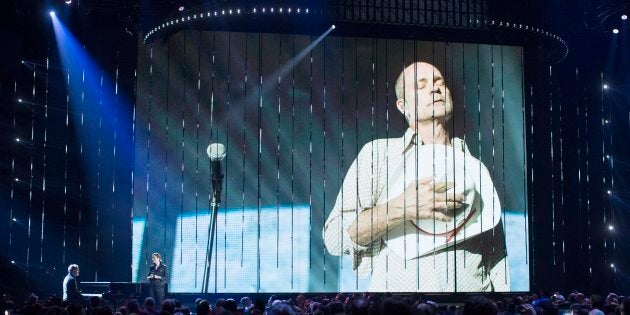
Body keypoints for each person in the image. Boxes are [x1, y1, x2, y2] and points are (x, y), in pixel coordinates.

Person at [323, 61, 510, 292]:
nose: (435, 89)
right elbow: (334, 238)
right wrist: (401, 208)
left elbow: (497, 253)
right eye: (420, 86)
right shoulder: (379, 155)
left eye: (439, 82)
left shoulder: (474, 166)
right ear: (403, 106)